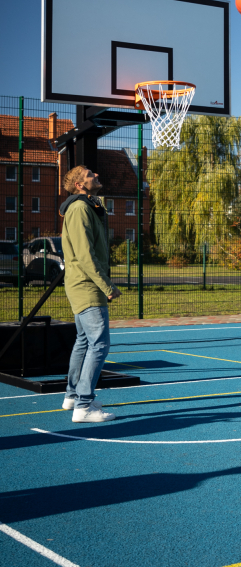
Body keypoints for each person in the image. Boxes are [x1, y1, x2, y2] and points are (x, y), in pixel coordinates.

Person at [60, 165, 121, 423]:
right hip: (86, 285)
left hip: (83, 284)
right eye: (88, 174)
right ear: (79, 185)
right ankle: (84, 405)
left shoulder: (88, 206)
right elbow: (86, 255)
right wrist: (107, 286)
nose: (96, 173)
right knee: (100, 343)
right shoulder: (80, 209)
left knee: (84, 341)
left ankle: (73, 396)